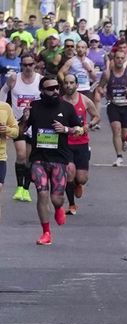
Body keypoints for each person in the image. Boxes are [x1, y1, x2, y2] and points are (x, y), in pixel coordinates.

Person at [17, 73, 79, 244]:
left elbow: (80, 129)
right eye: (50, 89)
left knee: (55, 199)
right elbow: (20, 132)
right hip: (39, 158)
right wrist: (25, 118)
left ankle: (59, 207)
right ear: (42, 91)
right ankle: (46, 233)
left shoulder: (66, 107)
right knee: (42, 195)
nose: (55, 91)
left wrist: (66, 130)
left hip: (59, 159)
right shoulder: (34, 107)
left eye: (57, 88)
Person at [5, 50, 41, 199]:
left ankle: (26, 189)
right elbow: (2, 94)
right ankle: (19, 188)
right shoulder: (14, 79)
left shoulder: (40, 80)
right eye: (24, 65)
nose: (27, 67)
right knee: (20, 154)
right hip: (18, 122)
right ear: (20, 65)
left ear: (35, 65)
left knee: (30, 157)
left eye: (30, 64)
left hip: (34, 123)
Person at [58, 73, 95, 215]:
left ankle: (78, 184)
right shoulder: (60, 102)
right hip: (66, 143)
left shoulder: (84, 100)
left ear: (77, 85)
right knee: (69, 172)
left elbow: (96, 116)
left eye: (71, 83)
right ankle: (72, 205)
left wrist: (89, 125)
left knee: (81, 178)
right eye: (66, 83)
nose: (68, 85)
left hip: (82, 143)